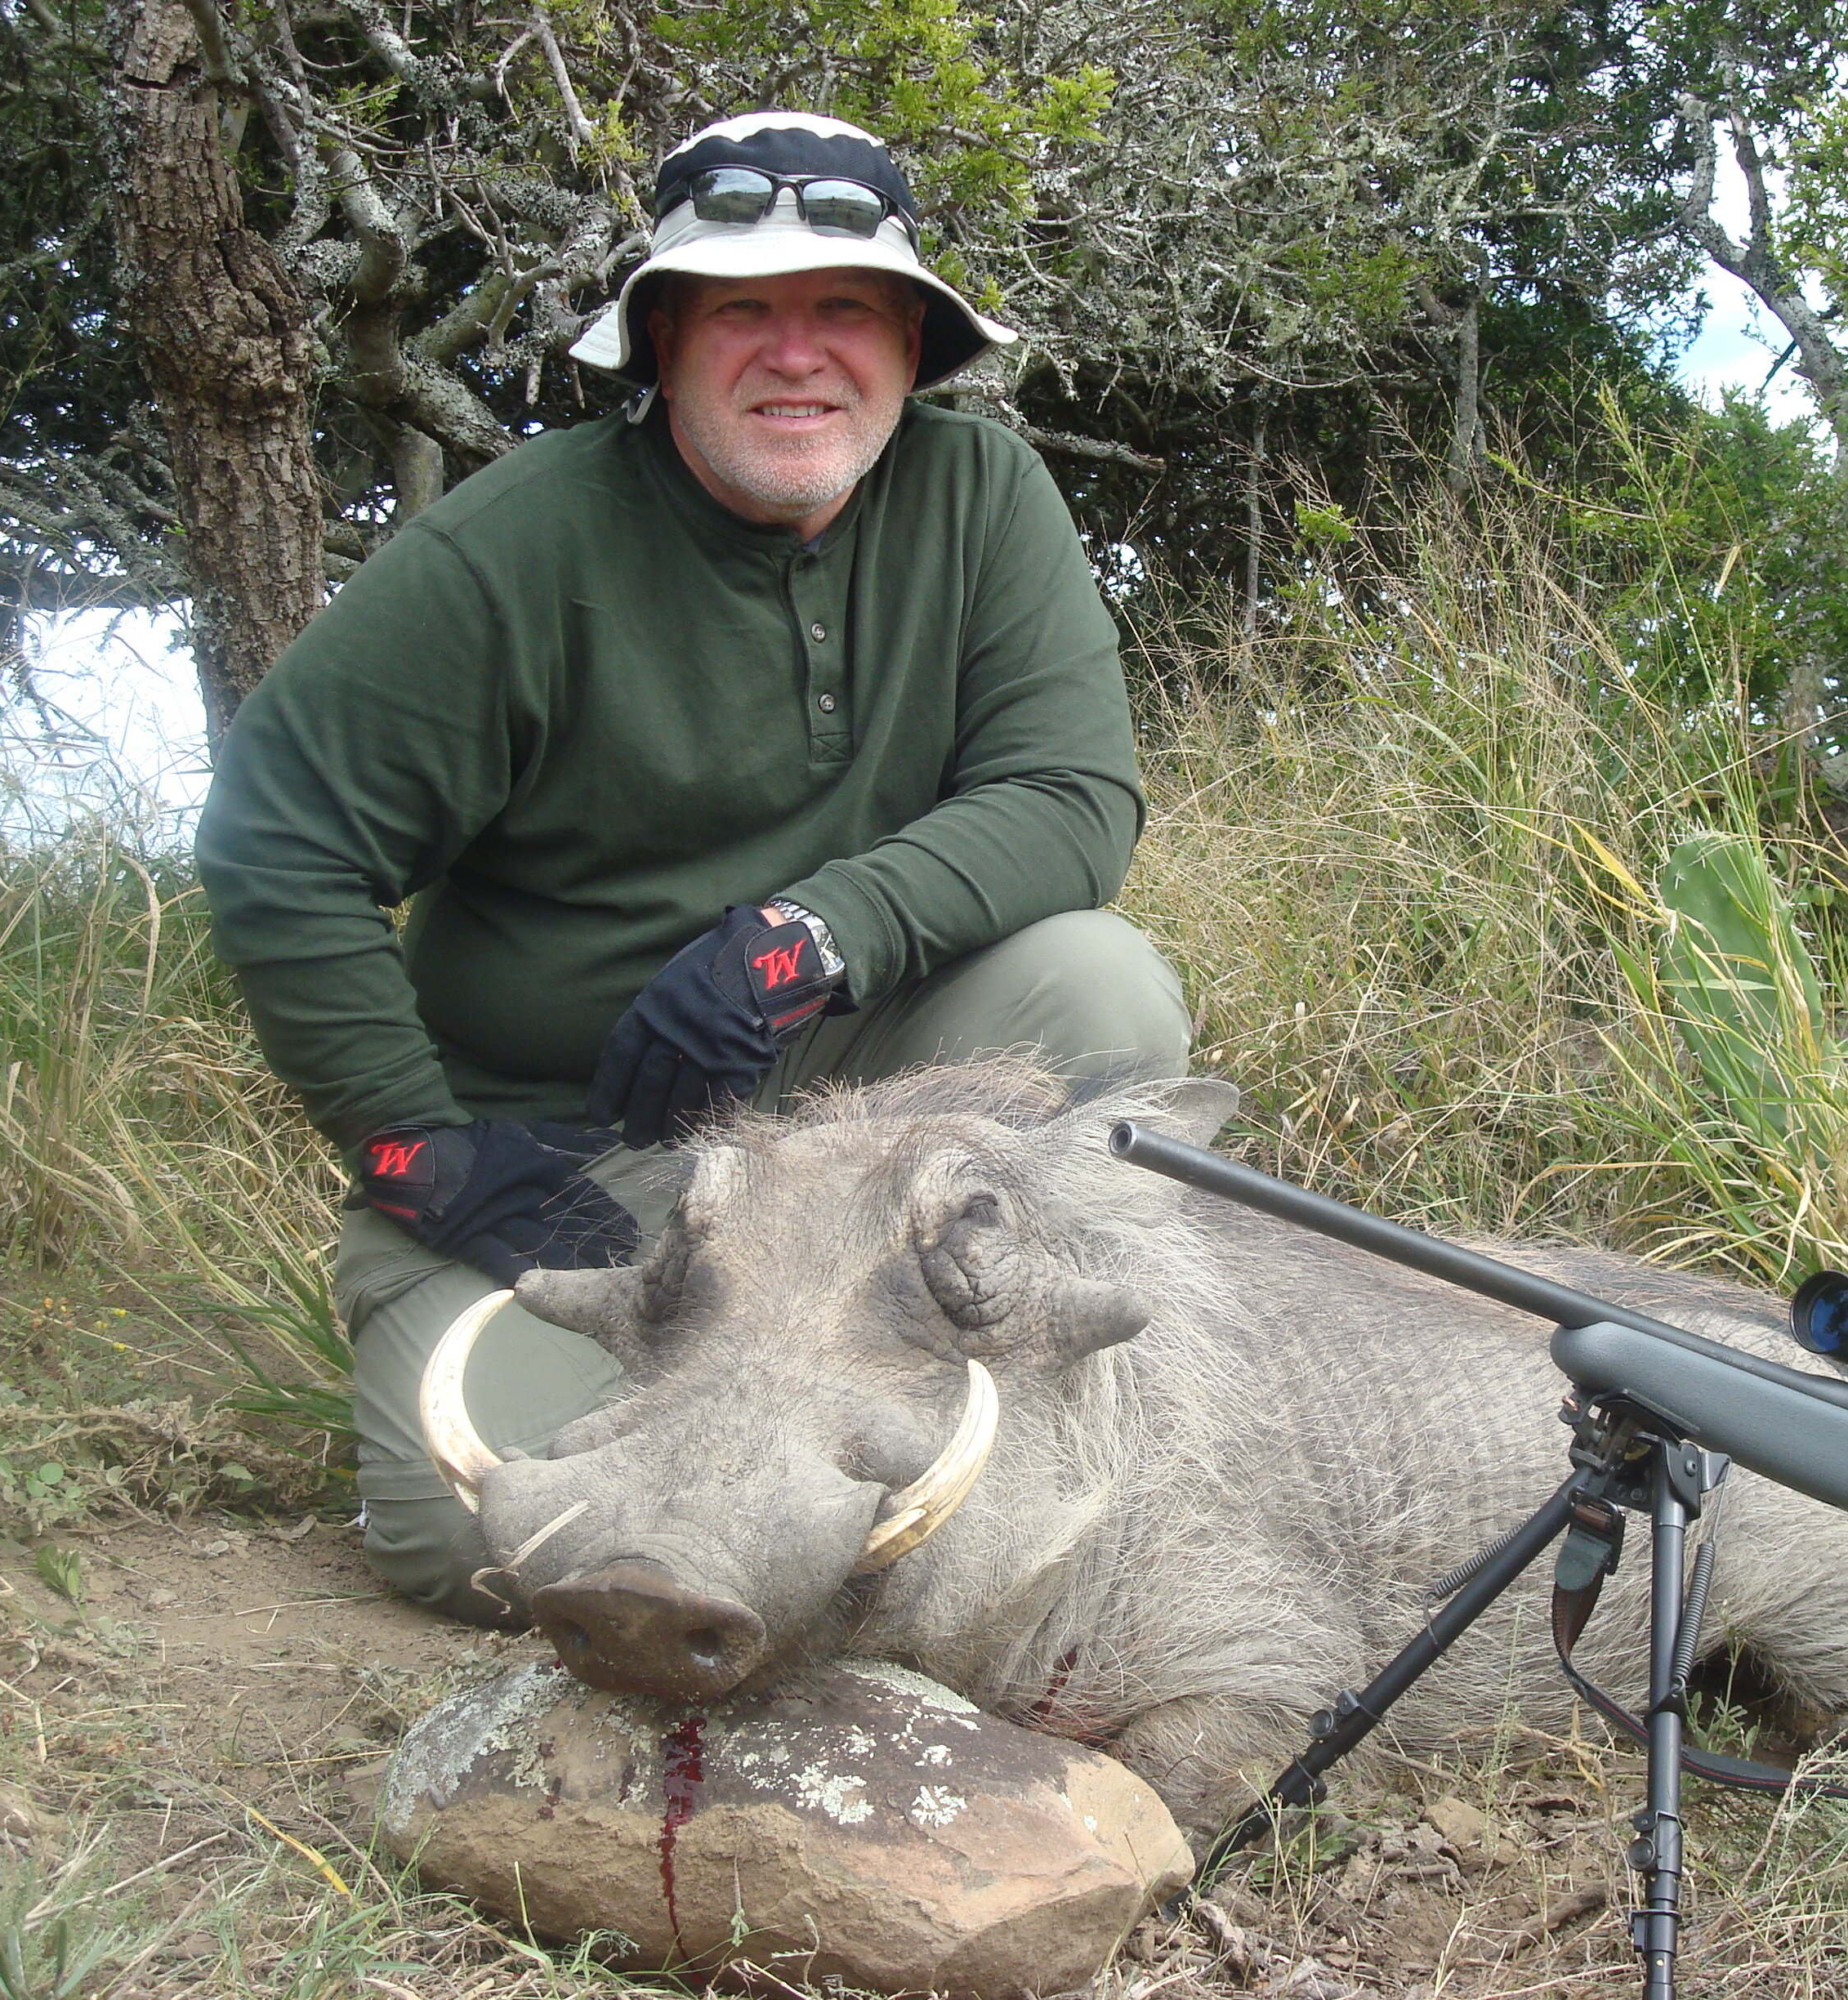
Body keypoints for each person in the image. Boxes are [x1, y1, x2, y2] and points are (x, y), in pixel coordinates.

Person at [195, 111, 1193, 1625]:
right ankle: (804, 1437)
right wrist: (422, 1155)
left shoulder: (985, 498)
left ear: (911, 345)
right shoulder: (508, 550)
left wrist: (802, 940)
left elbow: (1069, 794)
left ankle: (1021, 1398)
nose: (799, 353)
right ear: (660, 339)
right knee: (458, 1535)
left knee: (1097, 984)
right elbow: (277, 841)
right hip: (570, 1159)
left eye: (846, 308)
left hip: (859, 1130)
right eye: (744, 308)